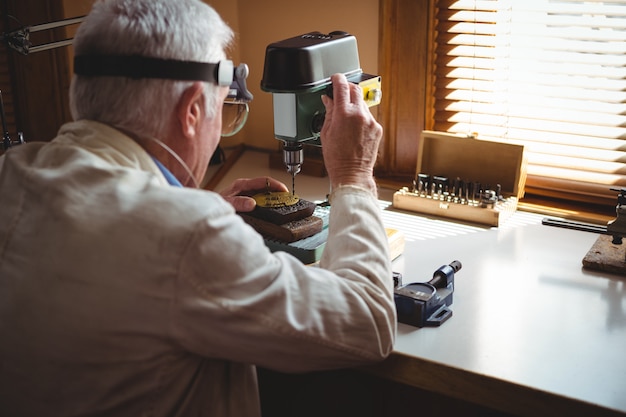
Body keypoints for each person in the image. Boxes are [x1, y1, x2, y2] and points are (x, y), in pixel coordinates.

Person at [0, 0, 396, 416]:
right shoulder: (187, 235)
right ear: (191, 111)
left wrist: (184, 207)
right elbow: (366, 324)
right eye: (220, 108)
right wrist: (353, 175)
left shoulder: (13, 171)